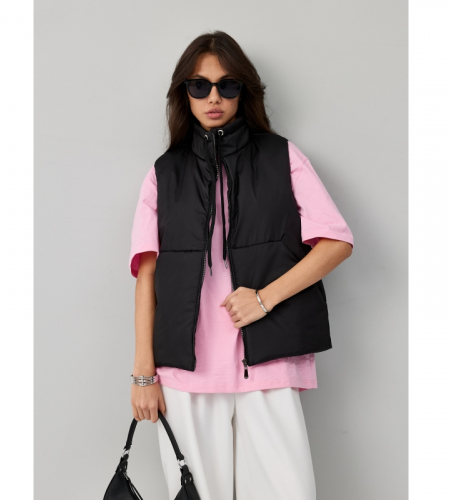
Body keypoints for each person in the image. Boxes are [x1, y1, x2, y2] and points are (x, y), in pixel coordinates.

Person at [128, 31, 354, 500]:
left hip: (268, 361)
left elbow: (336, 241)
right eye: (199, 85)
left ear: (243, 91)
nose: (213, 97)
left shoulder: (281, 157)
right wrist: (144, 376)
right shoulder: (164, 174)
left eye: (227, 85)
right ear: (184, 93)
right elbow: (147, 274)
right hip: (186, 372)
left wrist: (264, 299)